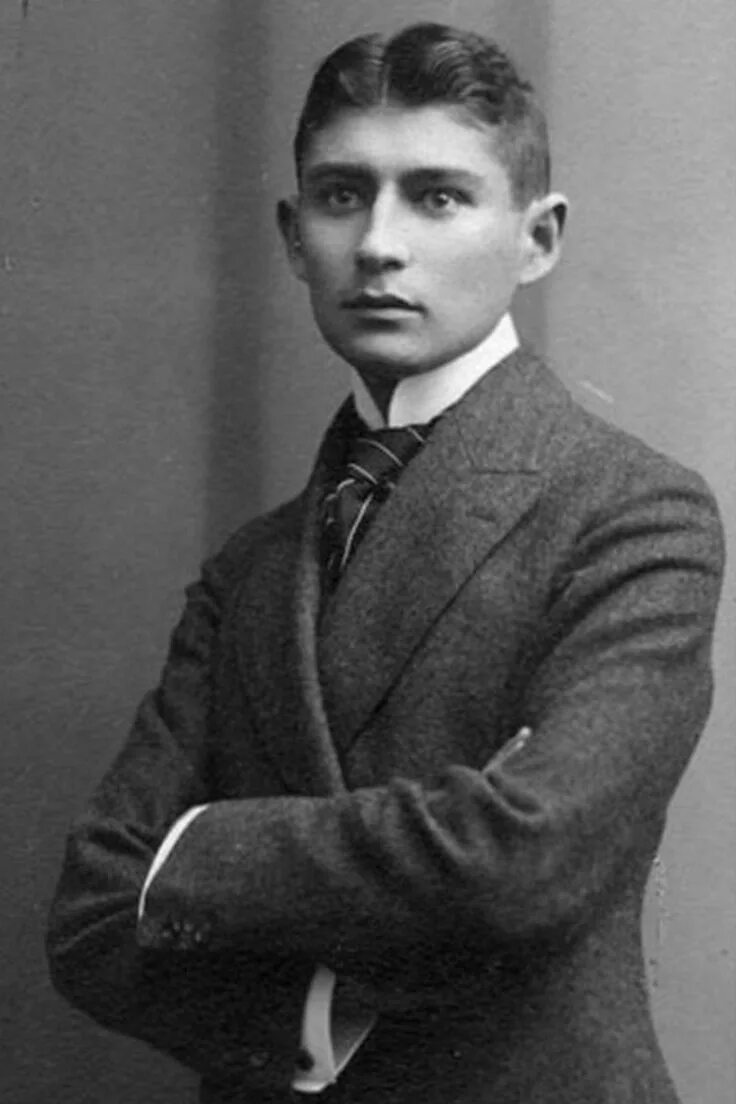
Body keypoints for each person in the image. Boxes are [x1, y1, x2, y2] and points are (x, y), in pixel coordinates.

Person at [46, 22, 724, 1104]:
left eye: (438, 197)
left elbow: (521, 861)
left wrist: (196, 851)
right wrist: (319, 1014)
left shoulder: (631, 513)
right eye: (342, 195)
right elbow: (91, 914)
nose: (376, 244)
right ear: (292, 234)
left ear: (537, 238)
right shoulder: (251, 568)